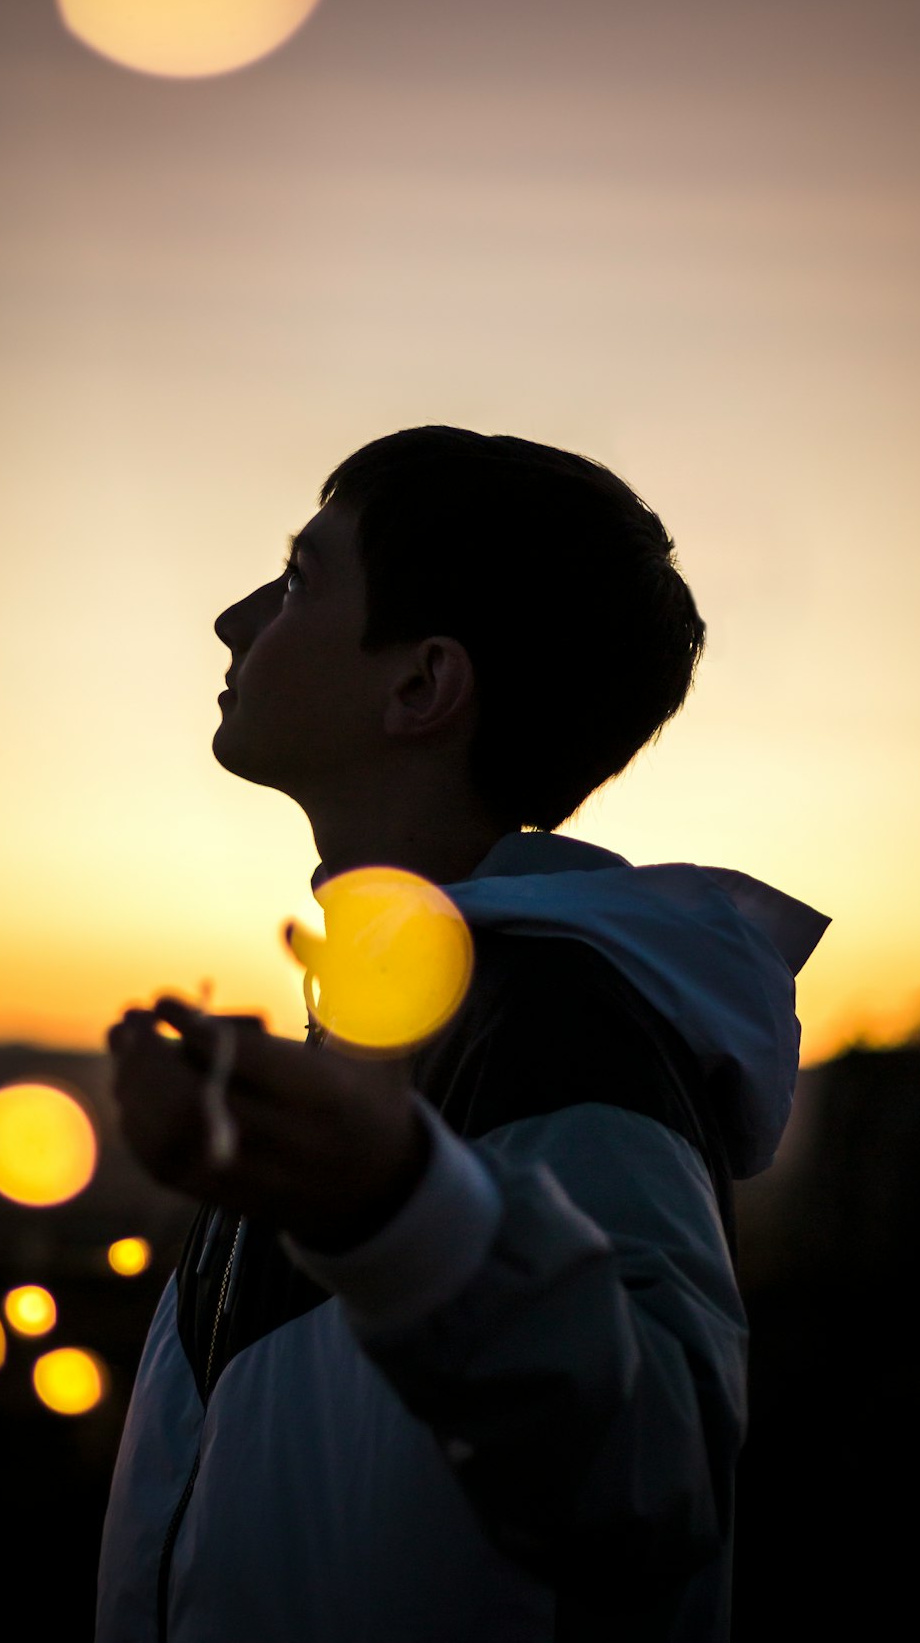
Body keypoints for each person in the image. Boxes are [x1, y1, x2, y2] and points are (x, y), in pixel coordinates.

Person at [97, 427, 828, 1643]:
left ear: (423, 685)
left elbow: (655, 1489)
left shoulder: (561, 1028)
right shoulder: (395, 1042)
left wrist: (387, 1202)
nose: (235, 618)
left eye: (298, 581)